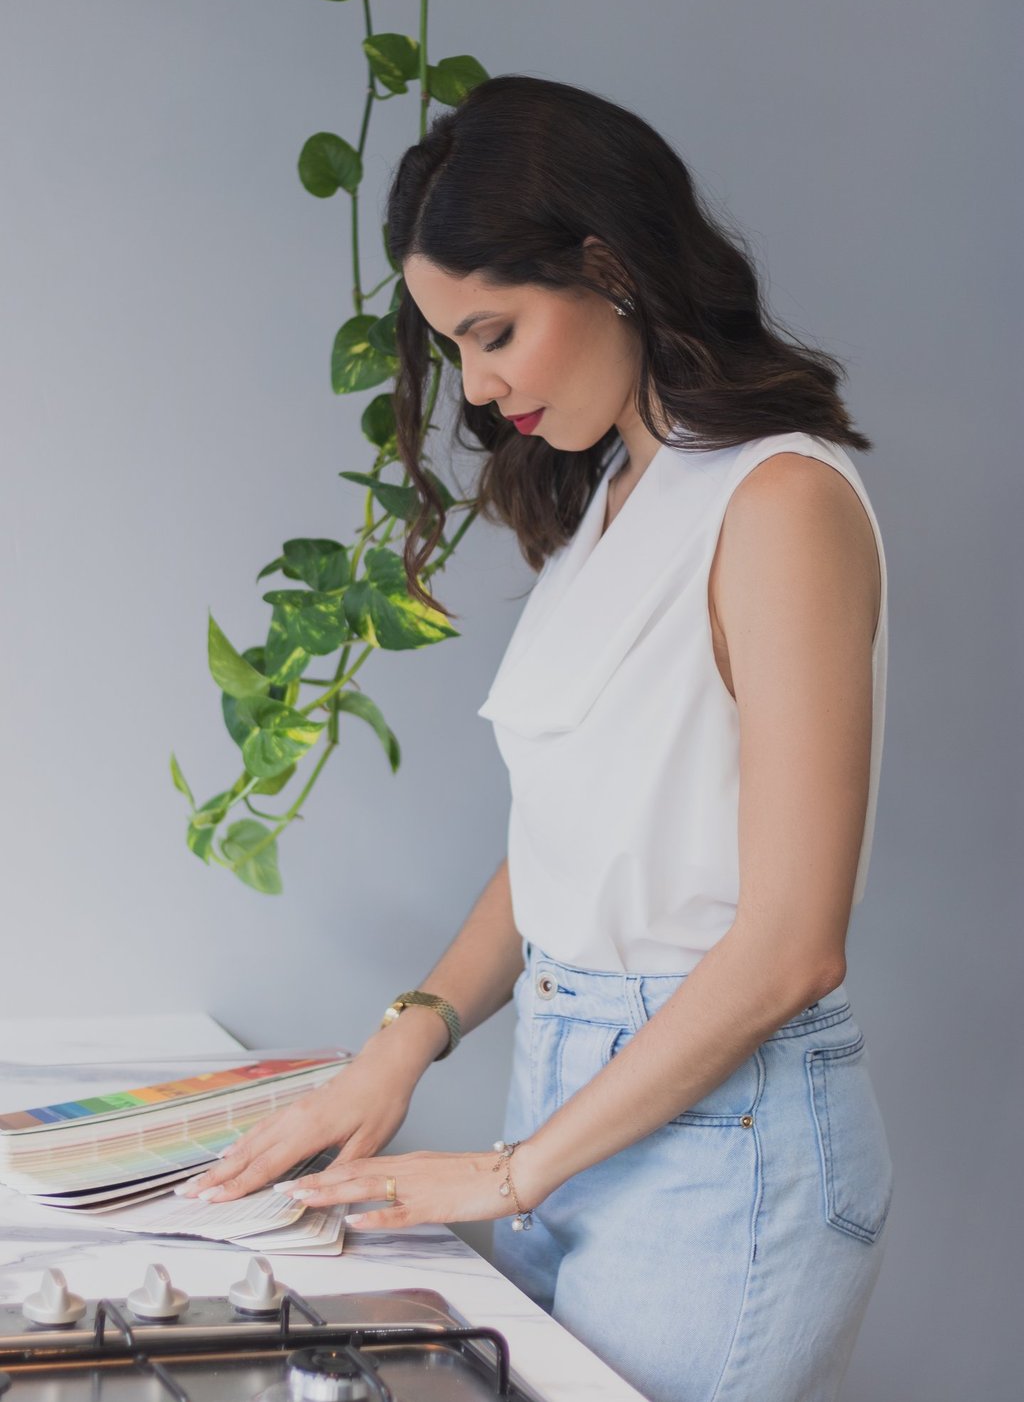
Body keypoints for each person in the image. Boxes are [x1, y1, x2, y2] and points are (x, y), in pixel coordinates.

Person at [182, 75, 894, 1402]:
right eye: (453, 346)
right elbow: (568, 842)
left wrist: (512, 1173)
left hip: (722, 1146)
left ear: (607, 268)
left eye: (494, 331)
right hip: (572, 1114)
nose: (478, 382)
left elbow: (793, 945)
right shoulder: (618, 493)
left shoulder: (780, 500)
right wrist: (402, 1042)